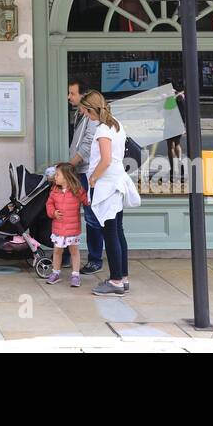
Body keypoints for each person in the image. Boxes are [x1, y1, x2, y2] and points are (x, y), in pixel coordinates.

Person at [83, 91, 140, 297]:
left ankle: (115, 281)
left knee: (110, 232)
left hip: (106, 185)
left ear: (92, 109)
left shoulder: (102, 130)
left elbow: (105, 160)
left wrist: (92, 179)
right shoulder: (116, 124)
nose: (85, 115)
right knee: (118, 231)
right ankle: (122, 277)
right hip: (116, 182)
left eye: (86, 111)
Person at [67, 85, 105, 275]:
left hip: (87, 172)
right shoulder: (80, 115)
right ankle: (67, 252)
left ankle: (95, 259)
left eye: (73, 93)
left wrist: (70, 165)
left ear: (84, 95)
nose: (69, 97)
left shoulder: (92, 118)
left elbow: (88, 144)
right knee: (69, 212)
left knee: (91, 216)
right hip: (78, 171)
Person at [45, 162, 87, 286]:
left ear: (67, 177)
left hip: (72, 228)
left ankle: (75, 275)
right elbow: (49, 204)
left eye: (57, 174)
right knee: (57, 251)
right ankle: (55, 272)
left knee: (74, 251)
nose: (55, 177)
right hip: (58, 228)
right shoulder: (54, 191)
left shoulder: (77, 190)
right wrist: (53, 213)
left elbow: (86, 201)